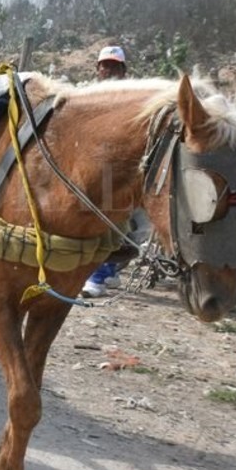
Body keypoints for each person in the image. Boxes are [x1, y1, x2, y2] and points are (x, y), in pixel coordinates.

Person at [83, 45, 133, 298]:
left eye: (114, 66)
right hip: (94, 166)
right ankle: (108, 272)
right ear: (97, 69)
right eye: (105, 65)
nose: (109, 70)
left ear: (123, 71)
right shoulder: (89, 96)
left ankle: (97, 277)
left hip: (120, 169)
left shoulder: (131, 98)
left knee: (107, 222)